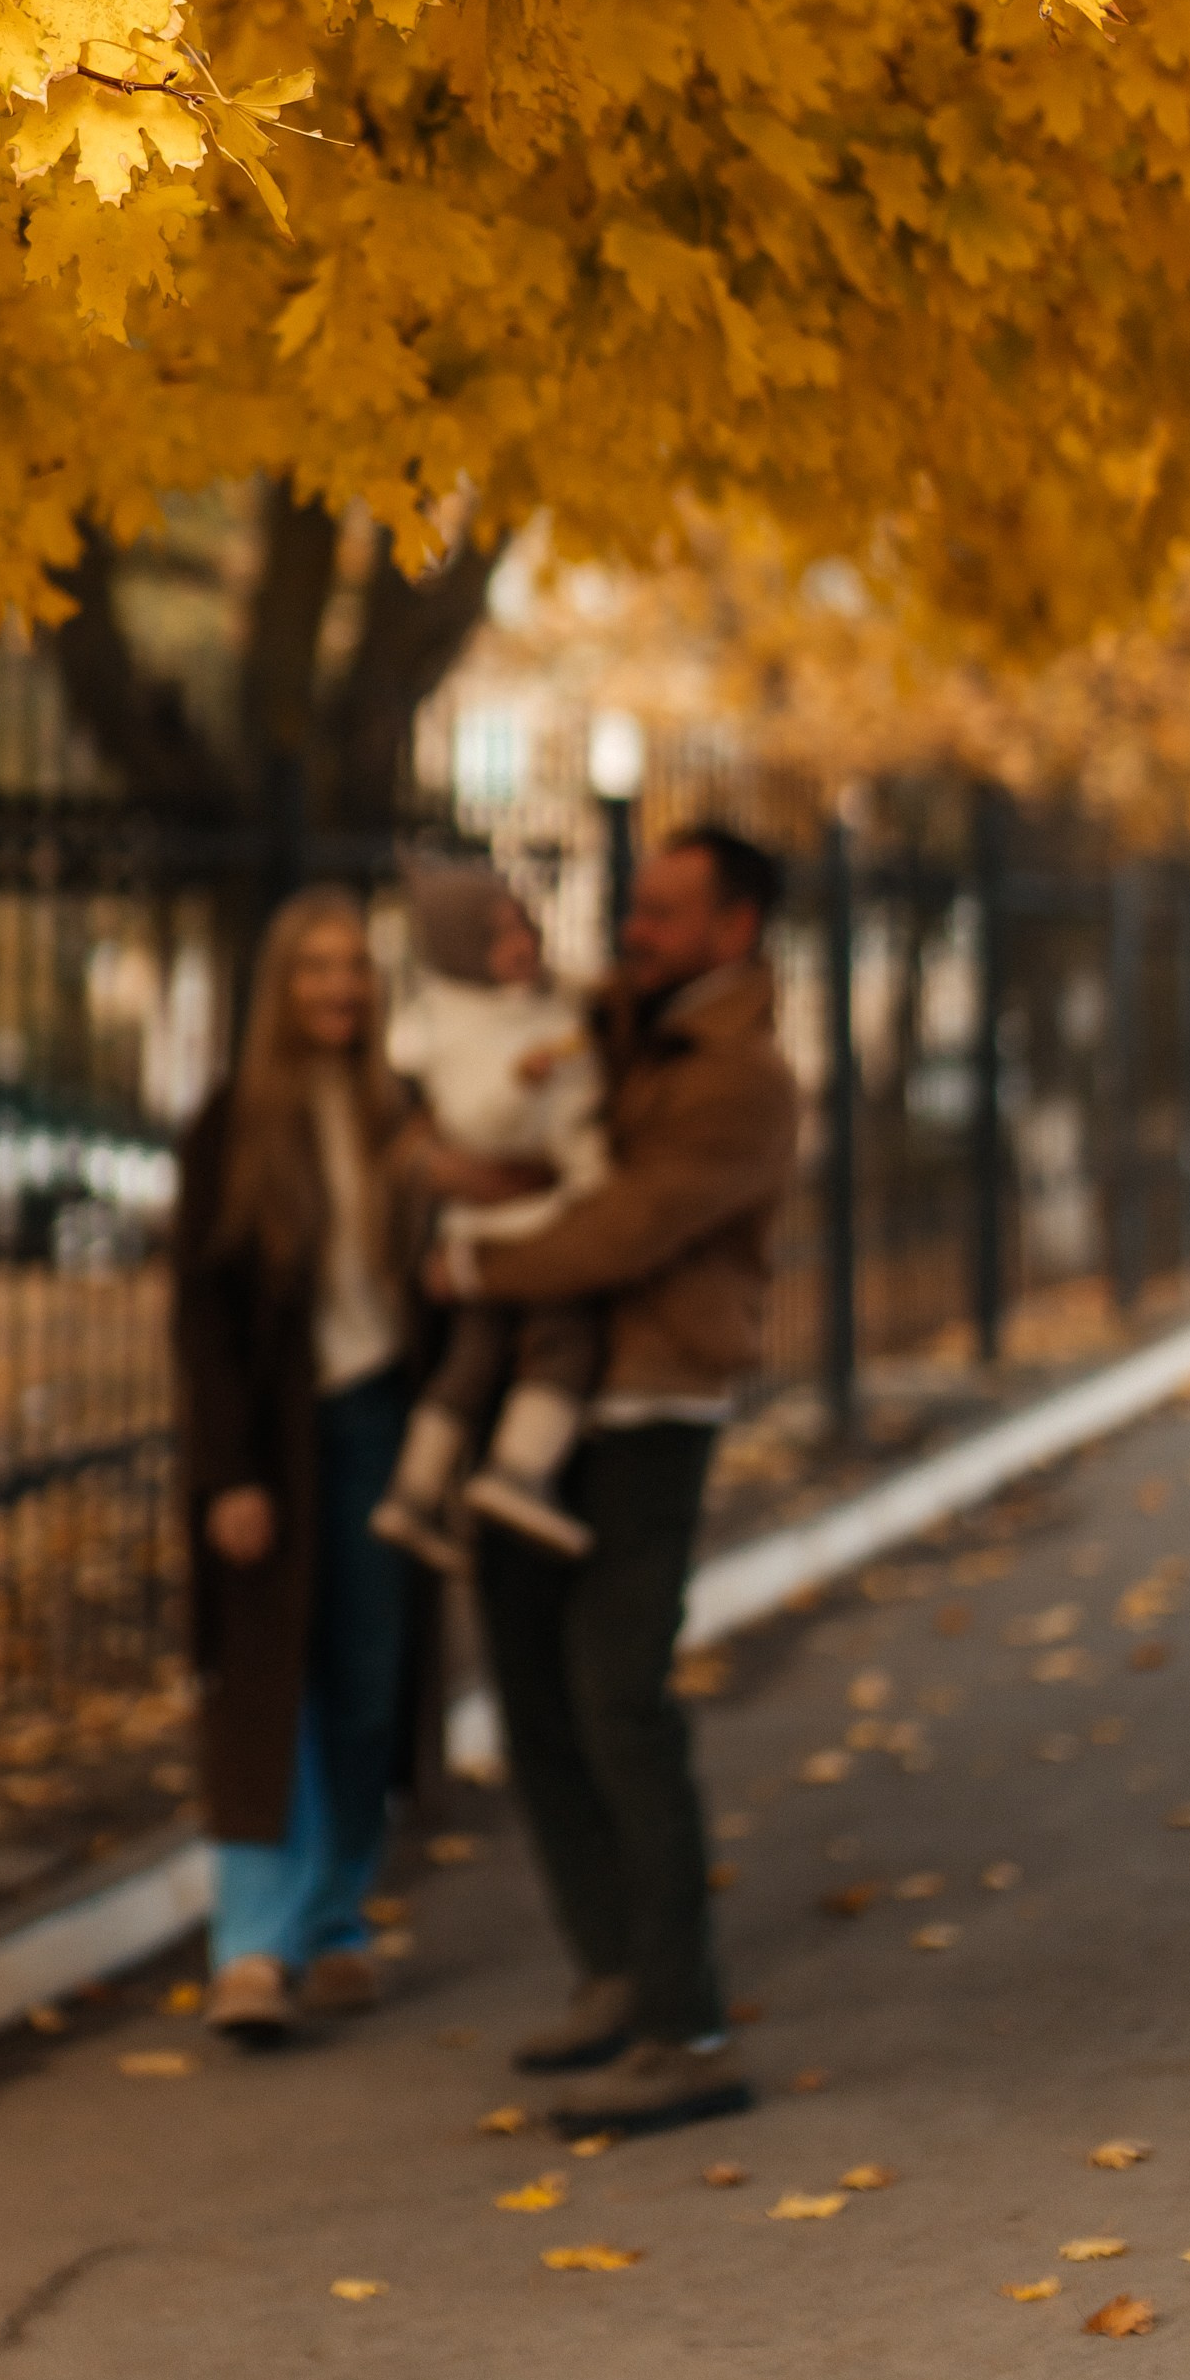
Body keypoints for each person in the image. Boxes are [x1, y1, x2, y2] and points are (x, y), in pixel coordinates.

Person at [426, 825, 798, 2138]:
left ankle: (686, 2026)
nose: (635, 926)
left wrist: (477, 1270)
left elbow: (623, 1222)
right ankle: (613, 1971)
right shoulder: (606, 1024)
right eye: (637, 905)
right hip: (552, 1397)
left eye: (668, 910)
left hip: (650, 1401)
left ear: (735, 928)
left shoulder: (742, 1078)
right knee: (530, 1690)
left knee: (617, 1695)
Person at [172, 885, 434, 2045]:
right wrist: (229, 1473)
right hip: (278, 1445)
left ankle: (337, 1921)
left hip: (390, 1430)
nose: (339, 987)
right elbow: (204, 1316)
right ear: (279, 988)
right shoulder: (231, 1125)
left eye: (355, 967)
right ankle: (253, 1947)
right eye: (315, 968)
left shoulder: (405, 1115)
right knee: (269, 1690)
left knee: (371, 1687)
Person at [374, 860, 610, 1569]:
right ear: (459, 950)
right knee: (566, 1340)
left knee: (474, 1359)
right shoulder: (462, 1029)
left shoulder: (529, 1005)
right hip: (518, 1228)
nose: (520, 945)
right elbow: (475, 1119)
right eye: (496, 934)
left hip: (498, 1224)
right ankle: (517, 1471)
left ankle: (416, 1491)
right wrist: (524, 1085)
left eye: (521, 926)